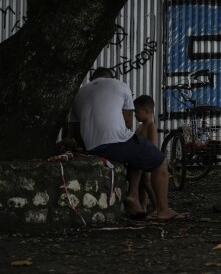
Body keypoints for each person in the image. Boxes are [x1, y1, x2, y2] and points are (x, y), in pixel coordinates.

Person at [69, 68, 185, 221]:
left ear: (93, 79)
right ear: (110, 78)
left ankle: (133, 195)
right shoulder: (120, 85)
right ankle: (163, 210)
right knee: (161, 161)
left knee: (136, 157)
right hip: (115, 141)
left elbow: (73, 130)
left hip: (92, 147)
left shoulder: (79, 94)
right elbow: (128, 122)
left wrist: (87, 146)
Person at [133, 94, 159, 213]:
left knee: (148, 184)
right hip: (140, 160)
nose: (135, 115)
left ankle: (157, 207)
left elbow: (152, 145)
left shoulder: (151, 127)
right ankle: (143, 207)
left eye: (137, 112)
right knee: (141, 185)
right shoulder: (139, 127)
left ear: (147, 111)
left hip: (147, 160)